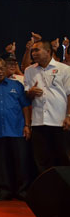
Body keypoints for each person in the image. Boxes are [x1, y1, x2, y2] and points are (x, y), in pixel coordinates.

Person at [0, 58, 32, 201]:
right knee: (1, 163)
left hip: (17, 129)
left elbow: (25, 106)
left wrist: (27, 125)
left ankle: (23, 191)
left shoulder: (17, 85)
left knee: (20, 162)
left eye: (1, 67)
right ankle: (5, 190)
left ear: (6, 68)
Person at [24, 41, 70, 173]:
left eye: (37, 50)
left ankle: (65, 190)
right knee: (42, 160)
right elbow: (27, 95)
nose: (33, 53)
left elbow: (69, 94)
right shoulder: (29, 70)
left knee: (63, 158)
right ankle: (47, 190)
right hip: (39, 122)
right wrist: (31, 92)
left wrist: (68, 116)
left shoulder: (64, 69)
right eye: (32, 51)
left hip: (60, 121)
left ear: (48, 51)